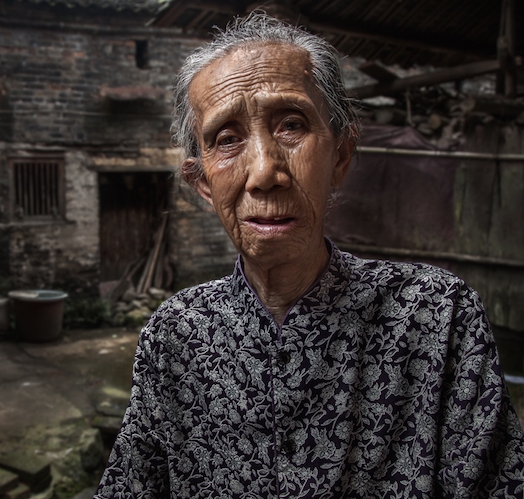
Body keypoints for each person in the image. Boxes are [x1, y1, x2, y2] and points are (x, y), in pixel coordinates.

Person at [95, 13, 524, 498]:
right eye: (227, 139)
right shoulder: (175, 336)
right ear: (203, 184)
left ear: (340, 156)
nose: (264, 172)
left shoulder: (436, 317)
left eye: (292, 125)